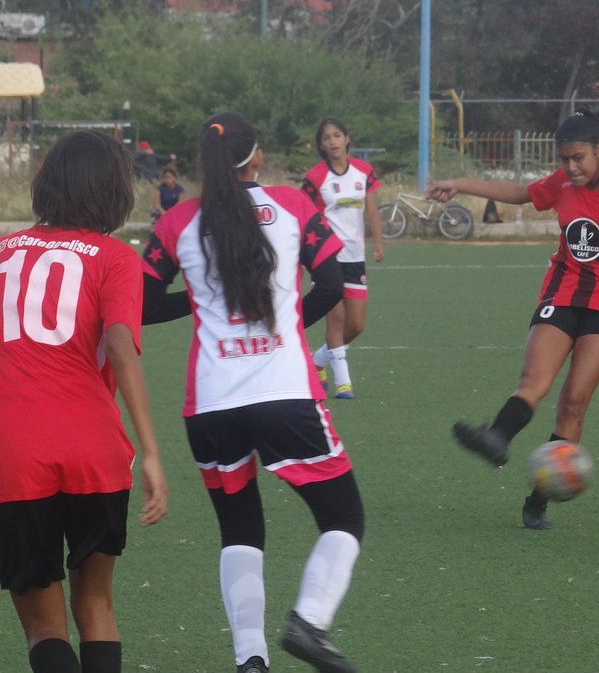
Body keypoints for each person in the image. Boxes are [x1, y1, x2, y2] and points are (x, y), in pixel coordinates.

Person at [141, 112, 365, 673]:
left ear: (200, 163)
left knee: (240, 529)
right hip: (284, 392)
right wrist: (288, 325)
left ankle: (251, 660)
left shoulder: (176, 220)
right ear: (257, 157)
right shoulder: (292, 203)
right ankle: (309, 623)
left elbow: (142, 305)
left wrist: (195, 304)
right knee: (344, 520)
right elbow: (332, 286)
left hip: (211, 403)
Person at [428, 110, 599, 530]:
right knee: (533, 382)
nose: (571, 167)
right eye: (565, 159)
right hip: (563, 290)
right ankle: (497, 437)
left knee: (573, 404)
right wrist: (459, 184)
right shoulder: (563, 183)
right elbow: (519, 192)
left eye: (579, 158)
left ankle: (539, 498)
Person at [0, 130, 167, 673]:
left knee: (45, 628)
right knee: (97, 604)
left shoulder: (3, 252)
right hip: (96, 449)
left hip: (14, 453)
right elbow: (120, 345)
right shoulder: (116, 258)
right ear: (113, 190)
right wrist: (152, 453)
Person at [301, 117, 384, 400]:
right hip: (327, 256)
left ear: (347, 139)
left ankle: (317, 362)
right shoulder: (315, 177)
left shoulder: (364, 171)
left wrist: (378, 241)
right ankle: (343, 382)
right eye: (326, 138)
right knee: (334, 318)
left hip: (355, 256)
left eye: (337, 135)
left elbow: (371, 210)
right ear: (321, 145)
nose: (333, 141)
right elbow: (304, 214)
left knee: (356, 325)